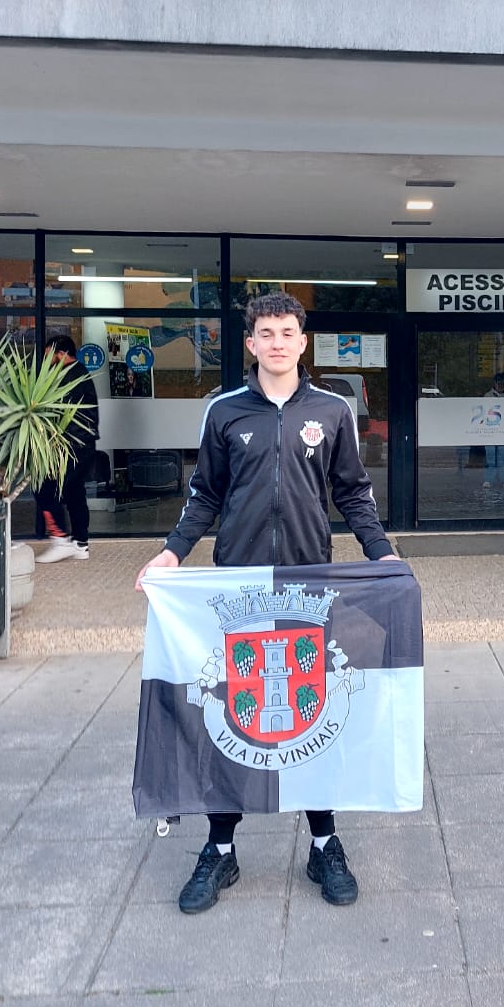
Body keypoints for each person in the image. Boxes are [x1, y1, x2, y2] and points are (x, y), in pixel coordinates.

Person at [135, 291, 400, 915]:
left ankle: (324, 843)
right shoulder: (224, 411)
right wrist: (172, 553)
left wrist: (381, 554)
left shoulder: (332, 411)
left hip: (308, 589)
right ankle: (220, 848)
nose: (277, 343)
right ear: (250, 343)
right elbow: (204, 494)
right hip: (240, 591)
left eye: (288, 333)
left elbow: (353, 493)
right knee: (234, 716)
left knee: (312, 715)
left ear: (302, 342)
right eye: (266, 333)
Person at [35, 334, 100, 564]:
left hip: (72, 445)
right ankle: (81, 544)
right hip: (82, 444)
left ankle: (60, 539)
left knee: (44, 488)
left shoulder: (68, 377)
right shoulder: (80, 373)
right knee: (74, 492)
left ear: (61, 354)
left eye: (49, 356)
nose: (47, 362)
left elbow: (53, 411)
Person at [483, 371, 504, 492]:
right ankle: (488, 480)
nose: (501, 385)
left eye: (503, 383)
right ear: (494, 383)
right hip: (490, 431)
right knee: (490, 455)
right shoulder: (487, 396)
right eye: (498, 383)